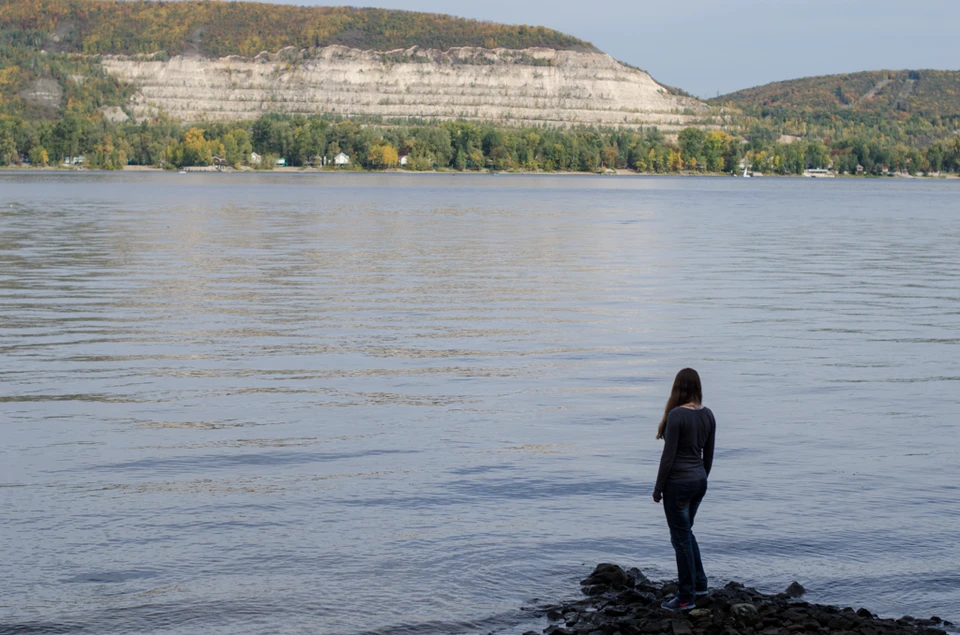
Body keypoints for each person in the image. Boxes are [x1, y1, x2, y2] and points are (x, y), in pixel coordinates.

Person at [652, 368, 716, 612]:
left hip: (678, 484)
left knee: (680, 539)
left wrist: (658, 489)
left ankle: (686, 597)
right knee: (686, 533)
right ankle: (699, 584)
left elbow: (668, 459)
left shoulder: (677, 415)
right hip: (699, 481)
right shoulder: (708, 414)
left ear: (677, 388)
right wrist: (700, 480)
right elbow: (708, 456)